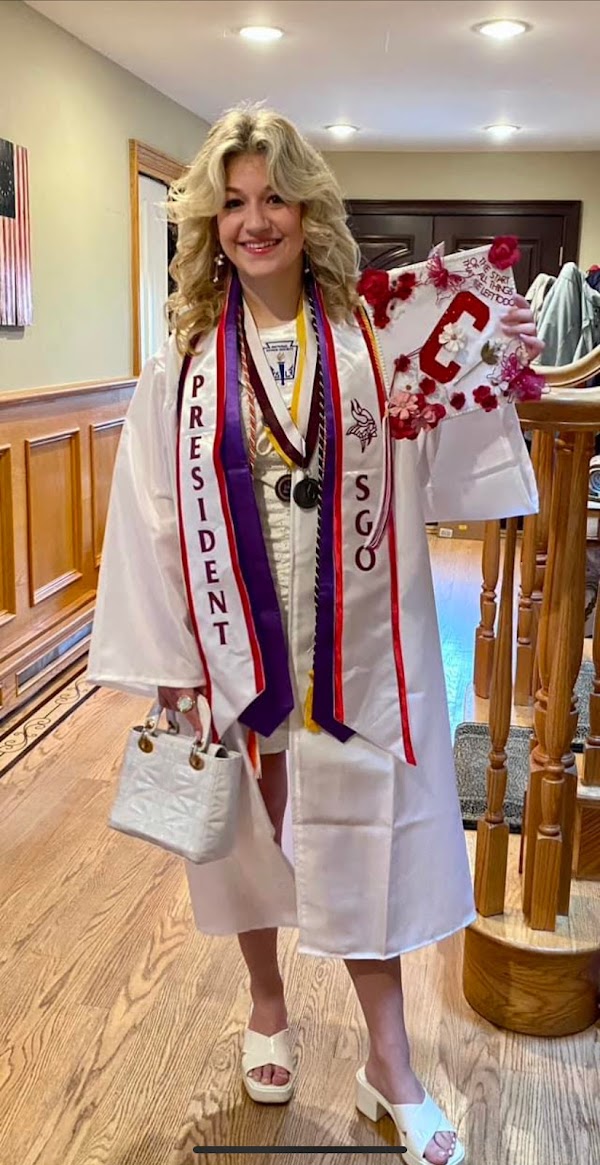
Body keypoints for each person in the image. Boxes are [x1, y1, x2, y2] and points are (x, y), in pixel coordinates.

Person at [87, 105, 543, 1165]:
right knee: (244, 835)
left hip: (351, 645)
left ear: (309, 211)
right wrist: (169, 662)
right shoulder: (184, 364)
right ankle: (266, 1004)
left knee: (362, 839)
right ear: (210, 223)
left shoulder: (374, 341)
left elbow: (446, 445)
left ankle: (391, 1065)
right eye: (234, 202)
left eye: (275, 198)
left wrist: (486, 360)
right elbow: (152, 513)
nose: (256, 221)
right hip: (232, 640)